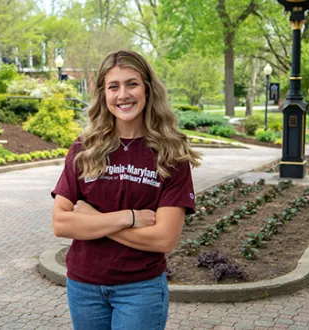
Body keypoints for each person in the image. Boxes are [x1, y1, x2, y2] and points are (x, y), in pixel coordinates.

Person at [50, 50, 201, 330]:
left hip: (140, 289)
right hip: (84, 287)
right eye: (113, 86)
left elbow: (163, 239)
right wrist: (129, 217)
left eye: (131, 84)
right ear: (103, 94)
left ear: (147, 88)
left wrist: (91, 217)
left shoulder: (171, 154)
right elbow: (60, 223)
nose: (123, 95)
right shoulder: (84, 147)